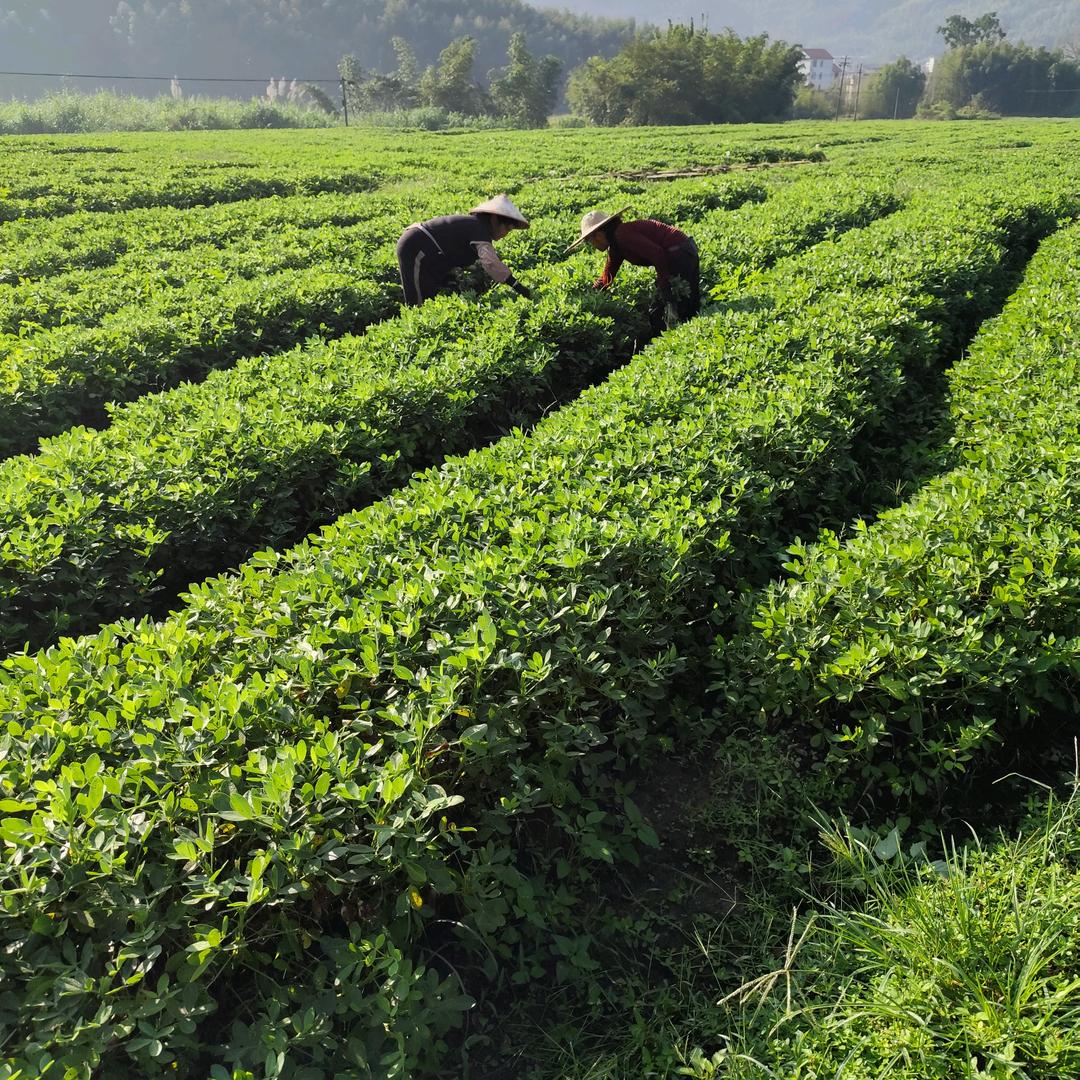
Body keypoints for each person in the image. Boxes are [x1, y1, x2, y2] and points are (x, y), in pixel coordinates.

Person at [566, 207, 700, 331]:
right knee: (674, 307)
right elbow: (607, 276)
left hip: (680, 254)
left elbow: (657, 254)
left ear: (599, 235)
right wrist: (591, 294)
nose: (592, 245)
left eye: (590, 241)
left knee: (674, 308)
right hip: (682, 252)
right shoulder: (616, 245)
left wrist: (664, 286)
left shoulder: (623, 235)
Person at [396, 194, 532, 306]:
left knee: (429, 296)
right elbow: (490, 263)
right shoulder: (478, 229)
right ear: (495, 219)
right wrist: (517, 286)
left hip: (429, 253)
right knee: (417, 303)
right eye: (507, 229)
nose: (505, 234)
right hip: (415, 246)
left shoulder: (477, 228)